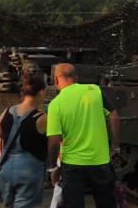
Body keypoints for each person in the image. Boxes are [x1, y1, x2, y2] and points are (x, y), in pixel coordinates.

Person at [46, 63, 121, 208]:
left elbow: (54, 140)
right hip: (100, 162)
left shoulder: (55, 105)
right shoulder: (95, 91)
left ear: (55, 80)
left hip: (72, 165)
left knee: (73, 204)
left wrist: (53, 168)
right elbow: (114, 117)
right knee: (106, 202)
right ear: (76, 78)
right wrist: (116, 148)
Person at [0, 73, 48, 208]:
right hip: (30, 170)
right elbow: (55, 141)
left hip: (6, 169)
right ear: (41, 92)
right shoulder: (43, 118)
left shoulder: (6, 112)